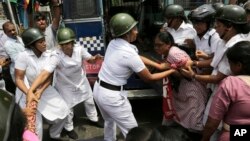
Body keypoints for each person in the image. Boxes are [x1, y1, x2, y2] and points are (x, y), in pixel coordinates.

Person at [92, 13, 176, 141]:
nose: (137, 32)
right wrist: (172, 70)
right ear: (127, 33)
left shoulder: (113, 43)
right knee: (135, 133)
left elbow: (137, 57)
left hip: (99, 91)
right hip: (112, 97)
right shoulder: (128, 53)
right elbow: (149, 78)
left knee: (109, 121)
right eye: (134, 29)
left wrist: (158, 66)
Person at [181, 5, 248, 141]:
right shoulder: (225, 41)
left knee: (213, 125)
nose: (216, 30)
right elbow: (214, 60)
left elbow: (218, 77)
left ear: (229, 26)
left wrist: (193, 76)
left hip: (229, 92)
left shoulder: (234, 46)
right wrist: (196, 63)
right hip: (226, 91)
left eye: (218, 26)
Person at [26, 27, 104, 139]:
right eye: (62, 44)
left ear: (73, 42)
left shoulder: (79, 49)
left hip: (81, 81)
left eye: (68, 43)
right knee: (69, 108)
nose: (65, 46)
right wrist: (31, 90)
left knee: (89, 101)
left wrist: (95, 58)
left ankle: (93, 118)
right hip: (65, 85)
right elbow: (45, 73)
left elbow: (89, 59)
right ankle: (69, 128)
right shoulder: (56, 55)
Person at [141, 32, 208, 141]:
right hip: (183, 89)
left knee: (194, 119)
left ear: (168, 44)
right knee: (184, 116)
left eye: (159, 45)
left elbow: (187, 74)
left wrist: (170, 69)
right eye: (155, 45)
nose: (156, 48)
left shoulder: (174, 53)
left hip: (193, 88)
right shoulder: (166, 53)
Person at [15, 28, 70, 140]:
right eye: (40, 42)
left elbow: (48, 77)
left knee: (64, 111)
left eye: (44, 40)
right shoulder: (23, 56)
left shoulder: (49, 55)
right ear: (31, 45)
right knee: (35, 127)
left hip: (44, 89)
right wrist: (29, 93)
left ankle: (54, 134)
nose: (45, 43)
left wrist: (39, 91)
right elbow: (19, 79)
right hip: (26, 93)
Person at [201, 41, 250, 141]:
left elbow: (212, 123)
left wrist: (204, 139)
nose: (229, 67)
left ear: (239, 65)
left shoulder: (231, 83)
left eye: (230, 63)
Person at [187, 4, 221, 75]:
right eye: (194, 23)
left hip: (209, 75)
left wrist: (194, 64)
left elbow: (215, 61)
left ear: (209, 23)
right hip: (198, 72)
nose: (196, 26)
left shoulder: (214, 36)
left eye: (199, 23)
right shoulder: (196, 36)